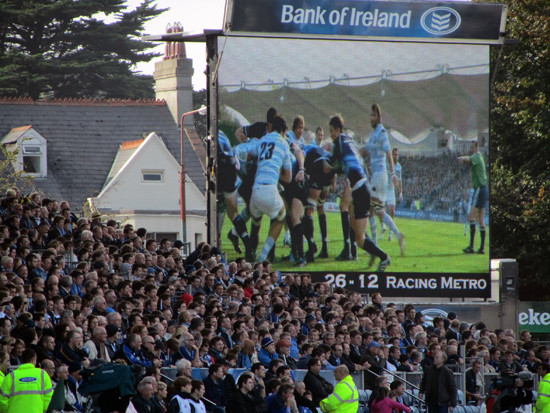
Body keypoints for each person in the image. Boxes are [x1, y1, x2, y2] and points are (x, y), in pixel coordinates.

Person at [328, 115, 391, 270]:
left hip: (361, 190)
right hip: (361, 186)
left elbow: (332, 166)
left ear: (338, 129)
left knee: (360, 239)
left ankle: (384, 257)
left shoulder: (338, 144)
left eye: (331, 131)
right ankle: (373, 252)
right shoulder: (350, 141)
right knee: (353, 222)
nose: (331, 135)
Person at [360, 104, 405, 257]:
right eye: (370, 115)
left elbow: (388, 153)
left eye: (374, 115)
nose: (371, 118)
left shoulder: (382, 132)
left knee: (371, 209)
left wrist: (393, 173)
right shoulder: (373, 134)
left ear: (379, 117)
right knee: (378, 210)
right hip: (376, 176)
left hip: (380, 175)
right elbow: (365, 150)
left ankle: (374, 245)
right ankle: (397, 234)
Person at [247, 114, 292, 262]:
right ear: (283, 130)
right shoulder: (284, 144)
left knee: (256, 223)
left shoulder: (263, 139)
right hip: (270, 190)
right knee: (281, 217)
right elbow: (288, 177)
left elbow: (249, 155)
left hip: (255, 191)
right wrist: (276, 174)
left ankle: (251, 253)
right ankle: (263, 257)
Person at [0, 349, 53, 413]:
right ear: (33, 359)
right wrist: (45, 410)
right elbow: (49, 396)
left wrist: (7, 411)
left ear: (22, 360)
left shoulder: (11, 376)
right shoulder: (43, 374)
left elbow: (2, 399)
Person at [458, 140, 488, 254]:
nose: (471, 149)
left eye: (472, 147)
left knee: (471, 217)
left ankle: (471, 246)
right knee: (481, 219)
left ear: (476, 147)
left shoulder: (476, 156)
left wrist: (461, 158)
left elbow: (469, 159)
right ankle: (482, 248)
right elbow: (470, 163)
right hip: (483, 189)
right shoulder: (478, 158)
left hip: (479, 189)